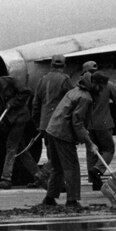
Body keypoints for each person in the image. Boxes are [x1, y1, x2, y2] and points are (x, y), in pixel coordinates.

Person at [43, 72, 99, 209]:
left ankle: (49, 198)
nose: (99, 88)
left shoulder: (74, 91)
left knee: (57, 168)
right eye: (98, 85)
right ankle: (72, 200)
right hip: (63, 134)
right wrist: (89, 142)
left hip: (52, 130)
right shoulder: (86, 98)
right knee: (72, 168)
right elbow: (77, 122)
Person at [0, 69, 41, 189]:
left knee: (11, 147)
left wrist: (13, 102)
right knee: (21, 149)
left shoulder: (11, 82)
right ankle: (39, 176)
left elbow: (26, 92)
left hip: (19, 118)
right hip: (8, 121)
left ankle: (6, 179)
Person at [31, 55, 74, 186]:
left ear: (51, 65)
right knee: (60, 156)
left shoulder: (42, 80)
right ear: (64, 65)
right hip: (59, 123)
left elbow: (36, 104)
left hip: (45, 124)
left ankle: (56, 184)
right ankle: (43, 174)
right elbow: (73, 100)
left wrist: (38, 123)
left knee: (51, 153)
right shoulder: (65, 80)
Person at [86, 70, 116, 191]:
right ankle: (97, 170)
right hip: (104, 123)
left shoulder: (87, 87)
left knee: (92, 152)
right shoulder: (109, 85)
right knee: (108, 150)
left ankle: (94, 182)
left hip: (89, 124)